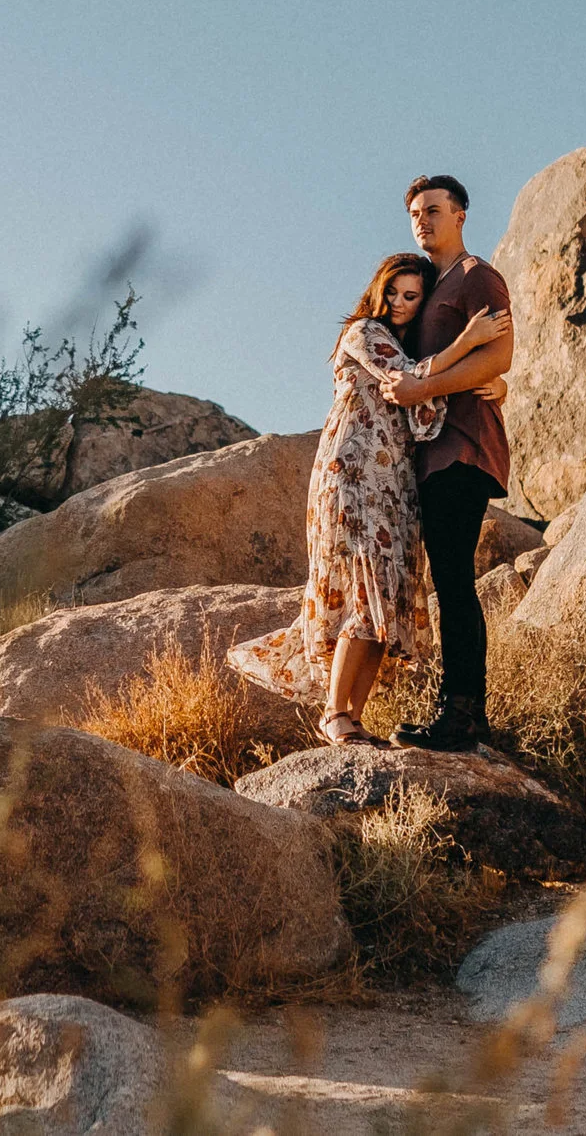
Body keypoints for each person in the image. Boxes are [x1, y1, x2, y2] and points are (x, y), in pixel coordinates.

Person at [227, 252, 510, 746]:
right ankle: (335, 713)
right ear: (377, 291)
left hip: (395, 485)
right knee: (364, 587)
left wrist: (492, 382)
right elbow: (409, 382)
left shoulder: (404, 344)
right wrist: (469, 344)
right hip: (353, 477)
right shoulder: (364, 333)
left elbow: (427, 402)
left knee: (387, 594)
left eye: (411, 296)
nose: (399, 303)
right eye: (392, 292)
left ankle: (353, 719)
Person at [377, 173, 514, 752]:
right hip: (432, 455)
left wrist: (423, 387)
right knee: (448, 579)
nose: (422, 220)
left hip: (465, 444)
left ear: (460, 215)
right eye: (415, 212)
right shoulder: (424, 286)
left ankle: (463, 714)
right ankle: (462, 710)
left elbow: (499, 356)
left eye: (433, 210)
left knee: (454, 579)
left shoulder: (477, 275)